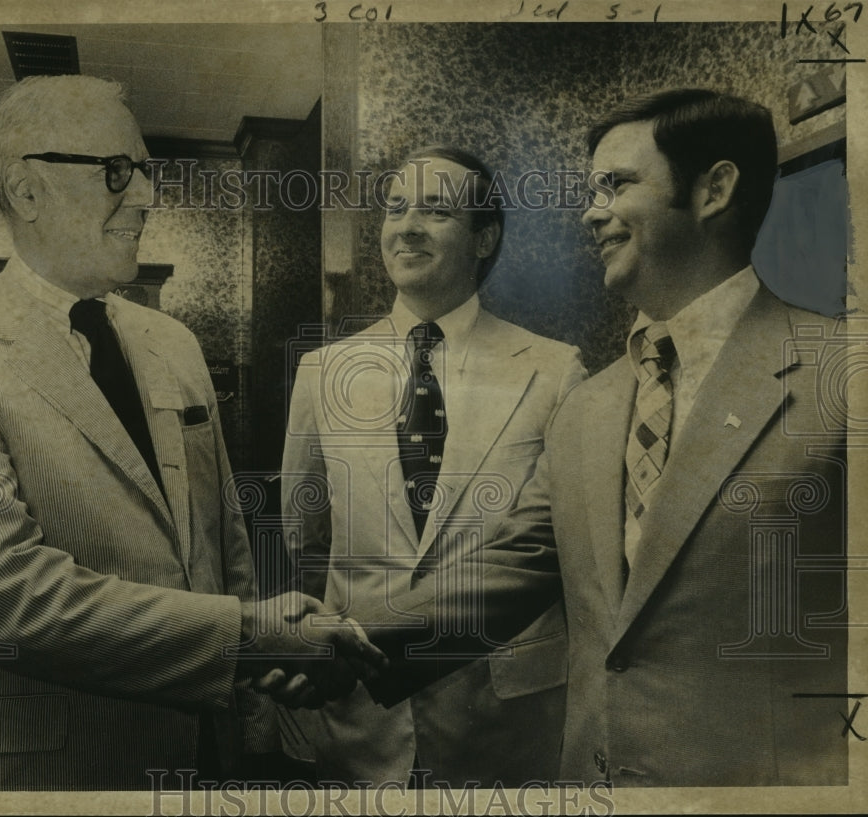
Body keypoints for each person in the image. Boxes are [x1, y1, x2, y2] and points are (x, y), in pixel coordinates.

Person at [0, 74, 382, 791]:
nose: (149, 196)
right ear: (28, 192)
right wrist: (250, 635)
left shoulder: (172, 341)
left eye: (147, 171)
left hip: (203, 765)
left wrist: (265, 676)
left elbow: (225, 546)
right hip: (43, 778)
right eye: (118, 171)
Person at [495, 88, 848, 786]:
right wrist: (336, 637)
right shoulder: (586, 407)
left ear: (714, 189)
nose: (591, 212)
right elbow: (509, 568)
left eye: (616, 184)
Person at [279, 145, 586, 786]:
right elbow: (303, 541)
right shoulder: (323, 371)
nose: (407, 226)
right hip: (359, 719)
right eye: (396, 209)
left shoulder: (554, 371)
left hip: (505, 715)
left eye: (437, 210)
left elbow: (561, 552)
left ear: (484, 238)